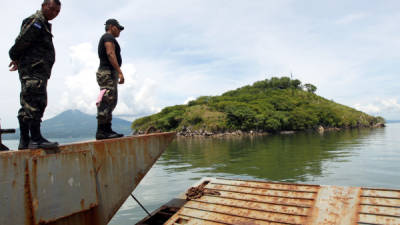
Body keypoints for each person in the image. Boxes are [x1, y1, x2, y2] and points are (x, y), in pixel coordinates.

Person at [8, 0, 61, 150]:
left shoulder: (43, 24)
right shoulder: (37, 22)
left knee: (28, 103)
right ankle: (35, 138)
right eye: (52, 9)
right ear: (44, 6)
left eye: (57, 12)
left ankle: (25, 141)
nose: (54, 14)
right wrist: (15, 57)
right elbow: (21, 42)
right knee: (35, 102)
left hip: (37, 70)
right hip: (33, 70)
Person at [95, 19, 125, 140]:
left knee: (111, 101)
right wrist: (120, 72)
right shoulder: (108, 37)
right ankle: (102, 131)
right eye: (118, 28)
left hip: (109, 73)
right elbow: (110, 54)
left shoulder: (110, 38)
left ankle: (107, 129)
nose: (119, 31)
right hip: (106, 72)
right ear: (112, 27)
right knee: (107, 100)